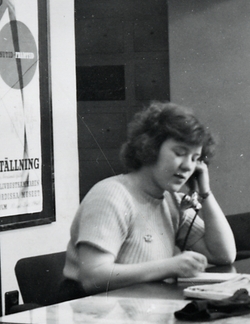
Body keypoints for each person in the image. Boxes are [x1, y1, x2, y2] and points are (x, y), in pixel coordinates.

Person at [64, 101, 237, 294]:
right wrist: (170, 266)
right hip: (97, 309)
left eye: (195, 158)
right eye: (180, 153)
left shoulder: (171, 201)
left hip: (144, 305)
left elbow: (223, 255)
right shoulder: (111, 195)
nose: (189, 166)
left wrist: (205, 193)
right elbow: (93, 277)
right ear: (150, 148)